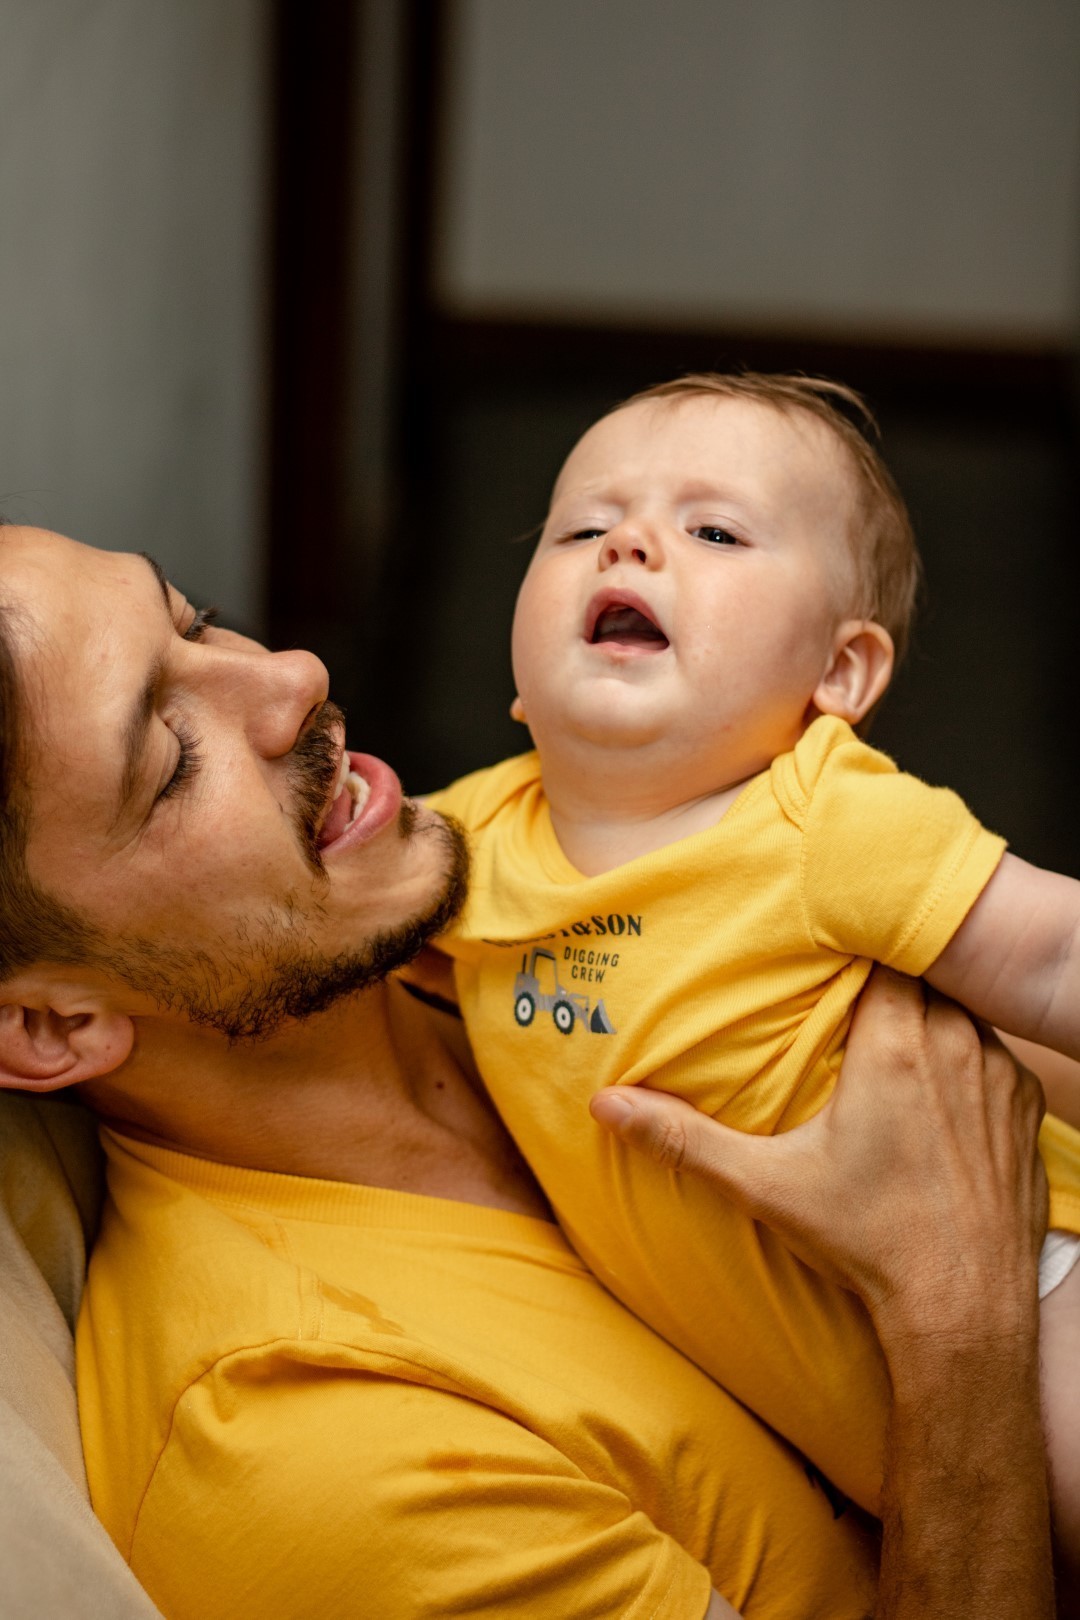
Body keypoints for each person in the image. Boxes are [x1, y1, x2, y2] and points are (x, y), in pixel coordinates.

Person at [0, 525, 1057, 1617]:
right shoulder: (308, 1454)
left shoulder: (526, 882)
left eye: (200, 622)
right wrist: (956, 1317)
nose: (293, 678)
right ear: (48, 1024)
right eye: (172, 761)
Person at [421, 373, 1080, 1539]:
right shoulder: (472, 838)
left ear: (840, 674)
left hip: (1038, 1286)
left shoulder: (827, 821)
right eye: (581, 528)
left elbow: (1058, 958)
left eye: (715, 532)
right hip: (848, 1424)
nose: (628, 544)